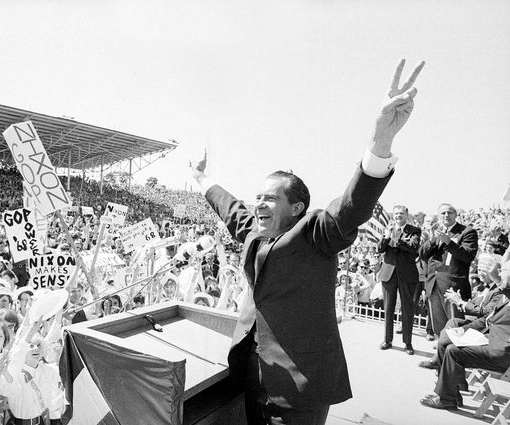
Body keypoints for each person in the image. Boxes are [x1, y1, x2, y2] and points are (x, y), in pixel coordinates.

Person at [191, 59, 425, 424]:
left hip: (299, 390)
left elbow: (351, 207)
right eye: (258, 197)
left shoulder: (315, 234)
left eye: (269, 198)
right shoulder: (256, 231)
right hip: (251, 378)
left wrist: (381, 139)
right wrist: (201, 178)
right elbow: (229, 207)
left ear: (297, 206)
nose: (259, 204)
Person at [421, 260, 510, 409]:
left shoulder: (505, 293)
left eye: (504, 270)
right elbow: (487, 320)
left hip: (501, 353)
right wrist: (464, 330)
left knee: (453, 352)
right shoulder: (505, 295)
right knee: (451, 342)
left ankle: (447, 398)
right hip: (493, 342)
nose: (499, 273)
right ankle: (451, 395)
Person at [420, 203, 478, 337]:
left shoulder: (467, 231)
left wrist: (448, 242)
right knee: (438, 324)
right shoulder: (437, 231)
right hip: (433, 283)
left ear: (455, 215)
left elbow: (468, 256)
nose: (446, 215)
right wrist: (432, 240)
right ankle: (439, 354)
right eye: (443, 213)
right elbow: (423, 255)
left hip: (452, 285)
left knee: (453, 325)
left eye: (449, 212)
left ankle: (452, 355)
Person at [376, 205, 421, 355]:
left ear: (407, 215)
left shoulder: (414, 230)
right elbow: (380, 249)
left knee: (407, 309)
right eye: (396, 213)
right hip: (388, 273)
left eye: (401, 213)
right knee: (388, 308)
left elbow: (413, 247)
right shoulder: (388, 229)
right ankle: (387, 340)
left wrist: (397, 240)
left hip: (406, 274)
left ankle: (407, 343)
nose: (398, 216)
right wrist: (387, 236)